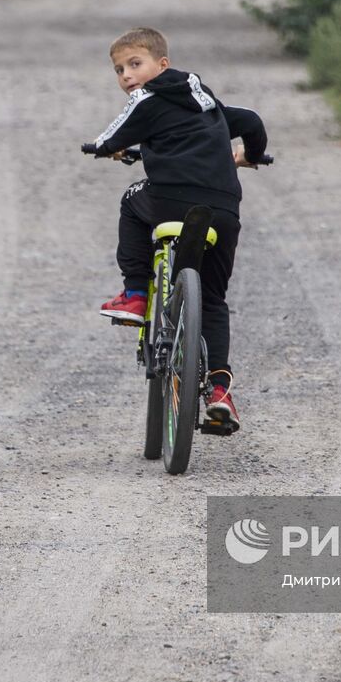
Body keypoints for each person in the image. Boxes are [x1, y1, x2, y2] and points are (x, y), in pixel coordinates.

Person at [88, 27, 268, 433]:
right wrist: (250, 155)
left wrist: (104, 147)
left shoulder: (147, 100)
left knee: (131, 202)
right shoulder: (209, 104)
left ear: (161, 65)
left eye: (135, 64)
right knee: (214, 299)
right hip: (223, 207)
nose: (127, 76)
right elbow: (251, 121)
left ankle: (135, 294)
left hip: (170, 199)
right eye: (119, 70)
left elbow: (113, 135)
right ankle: (220, 390)